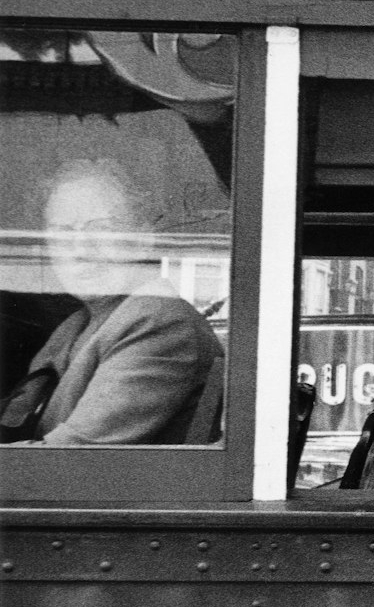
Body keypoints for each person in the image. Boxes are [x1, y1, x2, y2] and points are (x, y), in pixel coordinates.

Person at [0, 159, 223, 444]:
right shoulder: (76, 326)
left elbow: (71, 456)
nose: (80, 249)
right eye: (64, 232)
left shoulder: (158, 322)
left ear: (143, 239)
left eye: (101, 228)